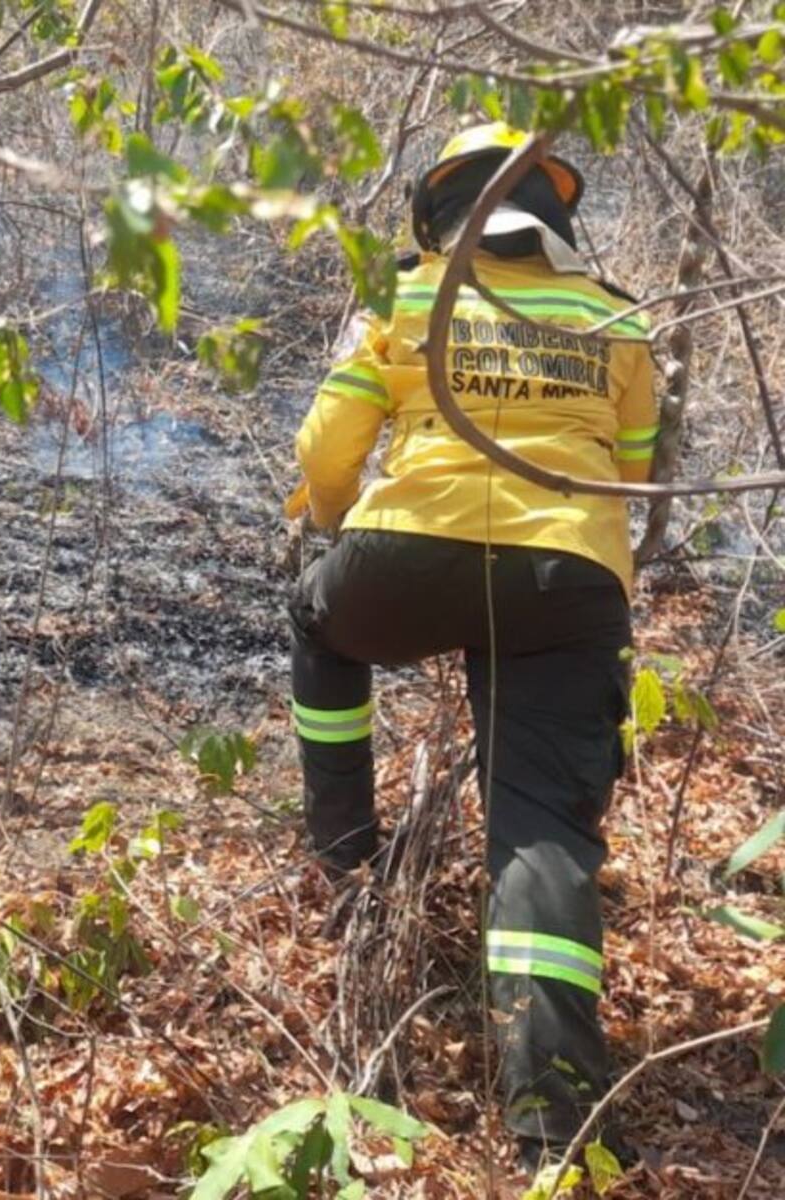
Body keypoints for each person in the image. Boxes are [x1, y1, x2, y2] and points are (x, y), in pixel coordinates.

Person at [287, 123, 658, 1173]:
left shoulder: (409, 298)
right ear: (557, 212)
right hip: (567, 579)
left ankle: (346, 860)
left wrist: (327, 524)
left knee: (319, 621)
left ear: (439, 211)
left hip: (405, 557)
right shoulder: (614, 314)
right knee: (540, 830)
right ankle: (557, 1124)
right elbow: (634, 469)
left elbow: (327, 451)